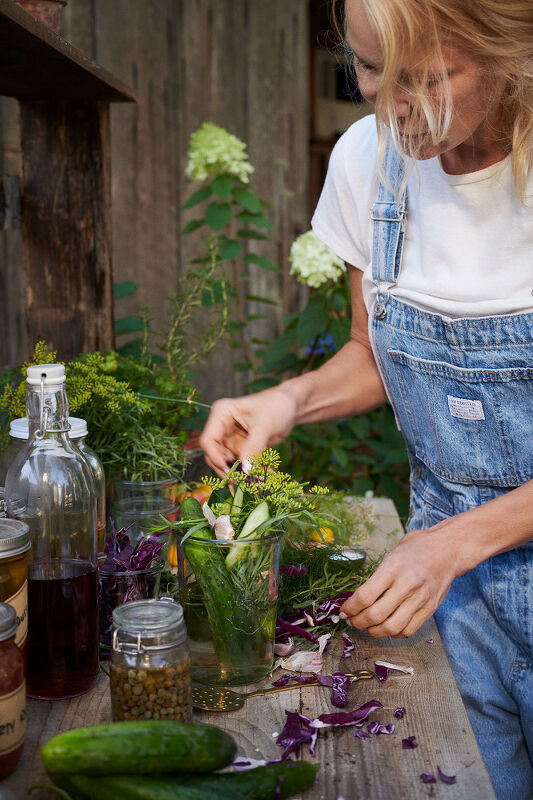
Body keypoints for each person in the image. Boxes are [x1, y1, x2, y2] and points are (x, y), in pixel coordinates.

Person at [200, 1, 533, 796]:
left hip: (442, 556)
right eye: (371, 68)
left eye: (425, 78)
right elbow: (370, 351)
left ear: (510, 53)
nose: (392, 108)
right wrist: (289, 397)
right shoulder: (365, 162)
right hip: (447, 594)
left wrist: (455, 542)